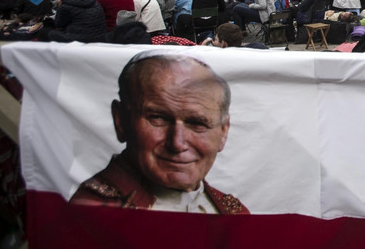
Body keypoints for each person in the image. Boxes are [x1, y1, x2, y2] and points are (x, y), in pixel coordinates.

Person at [69, 52, 248, 213]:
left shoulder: (234, 214)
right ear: (120, 120)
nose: (177, 143)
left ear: (224, 131)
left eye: (197, 124)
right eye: (158, 118)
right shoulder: (88, 214)